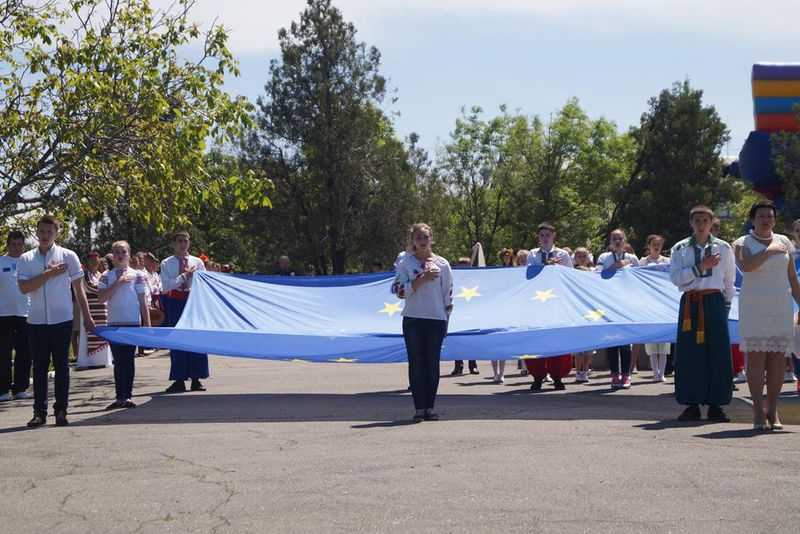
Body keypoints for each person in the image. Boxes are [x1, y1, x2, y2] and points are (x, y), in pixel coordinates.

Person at [17, 216, 96, 427]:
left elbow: (79, 290)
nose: (45, 235)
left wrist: (87, 318)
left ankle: (61, 410)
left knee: (62, 366)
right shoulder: (26, 258)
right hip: (36, 320)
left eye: (49, 232)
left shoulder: (68, 256)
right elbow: (24, 288)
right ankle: (39, 412)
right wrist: (48, 273)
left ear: (57, 233)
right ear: (37, 232)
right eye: (41, 231)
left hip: (62, 318)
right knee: (40, 366)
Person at [733, 200, 800, 430]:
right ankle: (758, 412)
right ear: (753, 219)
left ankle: (773, 410)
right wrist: (769, 250)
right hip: (754, 306)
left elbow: (792, 277)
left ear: (775, 219)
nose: (765, 219)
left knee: (777, 358)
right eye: (761, 216)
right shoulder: (743, 242)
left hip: (780, 305)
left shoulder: (784, 241)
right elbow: (747, 266)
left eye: (769, 216)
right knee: (757, 356)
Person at [669, 206, 735, 423]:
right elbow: (677, 278)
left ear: (711, 222)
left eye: (704, 220)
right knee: (689, 353)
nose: (700, 224)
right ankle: (692, 404)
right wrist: (700, 267)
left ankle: (716, 404)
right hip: (691, 302)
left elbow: (728, 280)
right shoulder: (679, 248)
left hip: (714, 300)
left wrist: (725, 306)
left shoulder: (723, 248)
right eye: (696, 220)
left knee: (718, 352)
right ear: (691, 223)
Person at [394, 223, 453, 421]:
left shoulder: (443, 264)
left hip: (435, 319)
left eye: (425, 237)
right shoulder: (406, 262)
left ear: (432, 239)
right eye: (418, 237)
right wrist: (422, 278)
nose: (422, 241)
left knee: (432, 363)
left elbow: (448, 296)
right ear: (413, 241)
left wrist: (447, 321)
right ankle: (419, 407)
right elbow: (399, 291)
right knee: (416, 363)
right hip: (413, 319)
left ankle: (430, 407)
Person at [98, 241, 151, 409]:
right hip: (114, 324)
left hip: (132, 323)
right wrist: (119, 282)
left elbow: (143, 301)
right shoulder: (107, 275)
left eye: (124, 251)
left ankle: (127, 395)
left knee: (129, 360)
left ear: (129, 254)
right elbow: (101, 298)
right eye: (117, 252)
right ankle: (119, 396)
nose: (120, 255)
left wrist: (147, 325)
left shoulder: (137, 275)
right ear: (113, 256)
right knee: (118, 361)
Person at [526, 223, 574, 391]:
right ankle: (538, 376)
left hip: (557, 302)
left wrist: (558, 268)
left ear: (554, 235)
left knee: (558, 339)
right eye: (542, 235)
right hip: (537, 303)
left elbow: (570, 277)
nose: (545, 238)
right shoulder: (533, 254)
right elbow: (529, 274)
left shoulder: (563, 255)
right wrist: (546, 265)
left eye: (548, 234)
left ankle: (558, 376)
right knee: (536, 339)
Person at [160, 231, 209, 393]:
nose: (182, 244)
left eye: (185, 241)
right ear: (173, 243)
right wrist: (184, 276)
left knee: (196, 338)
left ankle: (197, 378)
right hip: (175, 302)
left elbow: (204, 284)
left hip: (193, 302)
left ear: (189, 243)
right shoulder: (167, 263)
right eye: (179, 241)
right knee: (177, 340)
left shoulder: (197, 262)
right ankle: (179, 379)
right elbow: (166, 286)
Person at [595, 229, 639, 389]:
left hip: (627, 303)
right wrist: (617, 266)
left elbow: (640, 279)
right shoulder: (604, 257)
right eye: (614, 238)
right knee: (612, 340)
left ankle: (626, 375)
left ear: (625, 240)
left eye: (620, 238)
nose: (618, 241)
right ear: (610, 241)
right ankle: (614, 374)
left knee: (626, 342)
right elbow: (598, 275)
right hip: (609, 303)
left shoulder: (633, 258)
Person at [0, 231, 32, 401]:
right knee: (3, 353)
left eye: (20, 244)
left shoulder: (28, 263)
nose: (17, 247)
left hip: (26, 314)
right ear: (8, 245)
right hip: (3, 315)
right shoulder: (1, 262)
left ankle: (20, 388)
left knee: (25, 352)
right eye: (13, 244)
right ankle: (2, 390)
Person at [639, 234, 671, 382]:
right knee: (652, 342)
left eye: (659, 243)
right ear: (649, 245)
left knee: (664, 343)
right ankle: (655, 373)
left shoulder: (667, 261)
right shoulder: (643, 261)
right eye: (654, 243)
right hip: (649, 303)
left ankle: (662, 373)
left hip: (664, 304)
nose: (656, 246)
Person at [491, 248, 517, 382]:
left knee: (503, 344)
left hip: (508, 310)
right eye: (504, 256)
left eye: (508, 256)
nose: (506, 258)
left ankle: (502, 373)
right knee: (494, 344)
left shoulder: (515, 270)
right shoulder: (498, 271)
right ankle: (495, 372)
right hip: (496, 311)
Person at [450, 256, 478, 376]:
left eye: (466, 267)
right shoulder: (454, 281)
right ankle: (458, 366)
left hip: (471, 314)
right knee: (458, 341)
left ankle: (473, 366)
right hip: (458, 314)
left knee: (471, 341)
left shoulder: (474, 282)